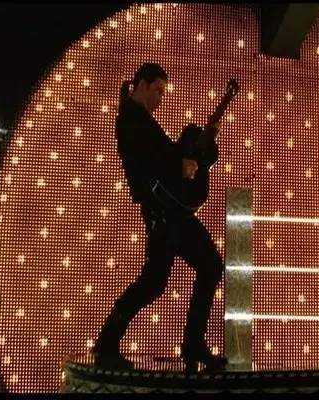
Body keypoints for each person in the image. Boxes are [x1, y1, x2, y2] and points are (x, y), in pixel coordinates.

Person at [92, 63, 227, 374]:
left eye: (163, 93)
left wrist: (194, 152)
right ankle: (185, 343)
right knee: (187, 272)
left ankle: (113, 343)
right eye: (157, 90)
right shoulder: (132, 120)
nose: (160, 98)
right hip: (165, 215)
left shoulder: (139, 119)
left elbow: (164, 155)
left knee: (163, 280)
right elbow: (151, 160)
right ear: (141, 84)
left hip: (168, 214)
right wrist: (182, 162)